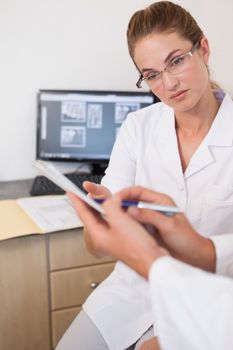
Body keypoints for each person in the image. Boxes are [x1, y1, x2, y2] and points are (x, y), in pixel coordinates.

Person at [56, 1, 233, 349]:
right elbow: (96, 246)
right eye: (151, 74)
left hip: (211, 300)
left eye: (177, 61)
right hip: (131, 291)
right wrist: (99, 223)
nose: (168, 84)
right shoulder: (139, 127)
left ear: (204, 49)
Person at [67, 186, 233, 350]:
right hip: (128, 289)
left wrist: (150, 260)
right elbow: (95, 244)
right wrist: (202, 249)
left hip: (207, 302)